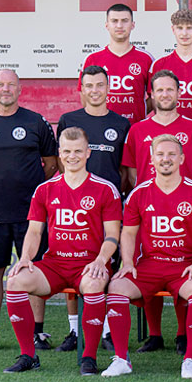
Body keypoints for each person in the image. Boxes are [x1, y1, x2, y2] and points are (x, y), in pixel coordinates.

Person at [1, 127, 121, 375]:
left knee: (94, 284)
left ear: (88, 153)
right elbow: (35, 231)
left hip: (89, 264)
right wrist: (25, 258)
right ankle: (28, 355)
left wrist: (101, 260)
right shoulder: (45, 189)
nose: (72, 156)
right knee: (15, 281)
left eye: (78, 151)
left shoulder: (104, 188)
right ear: (59, 153)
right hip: (55, 264)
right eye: (66, 151)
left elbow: (112, 235)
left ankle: (89, 357)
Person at [101, 135, 192, 378]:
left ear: (182, 158)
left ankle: (190, 359)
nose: (166, 159)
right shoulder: (139, 193)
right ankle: (121, 359)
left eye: (171, 154)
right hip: (149, 266)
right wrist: (127, 262)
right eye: (160, 154)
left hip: (183, 266)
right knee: (117, 287)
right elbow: (128, 233)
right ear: (151, 159)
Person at [0, 69, 57, 352]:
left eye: (11, 85)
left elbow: (51, 164)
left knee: (33, 269)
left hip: (31, 215)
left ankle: (38, 332)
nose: (6, 89)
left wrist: (33, 193)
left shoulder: (36, 122)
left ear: (20, 89)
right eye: (0, 85)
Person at [121, 69, 192, 352]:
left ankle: (183, 334)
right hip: (149, 206)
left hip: (185, 205)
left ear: (179, 93)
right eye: (159, 90)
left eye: (170, 89)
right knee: (149, 264)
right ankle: (155, 334)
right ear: (151, 94)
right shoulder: (137, 129)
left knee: (183, 266)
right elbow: (132, 173)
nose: (165, 94)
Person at [55, 65, 131, 352]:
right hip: (73, 207)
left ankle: (107, 330)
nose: (95, 90)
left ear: (108, 88)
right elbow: (61, 162)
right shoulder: (69, 120)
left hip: (108, 207)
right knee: (71, 262)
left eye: (100, 85)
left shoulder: (121, 123)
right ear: (82, 89)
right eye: (89, 85)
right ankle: (75, 330)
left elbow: (124, 170)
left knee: (107, 265)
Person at [80, 3, 153, 124]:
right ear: (107, 25)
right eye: (114, 21)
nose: (119, 25)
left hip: (134, 128)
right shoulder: (92, 59)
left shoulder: (146, 59)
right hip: (102, 126)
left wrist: (141, 113)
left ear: (132, 25)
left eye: (125, 21)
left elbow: (155, 96)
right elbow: (84, 96)